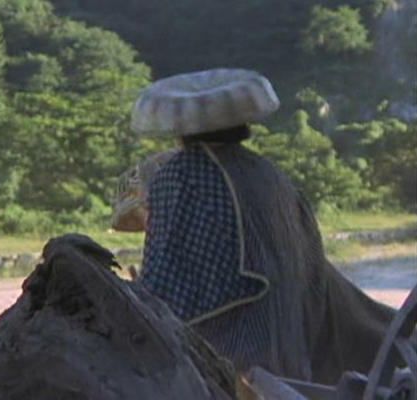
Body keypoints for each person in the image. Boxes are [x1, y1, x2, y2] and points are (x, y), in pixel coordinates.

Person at [123, 69, 400, 383]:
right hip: (290, 349)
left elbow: (164, 278)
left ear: (181, 133)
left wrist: (137, 300)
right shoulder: (269, 172)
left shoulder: (180, 174)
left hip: (225, 356)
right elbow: (311, 264)